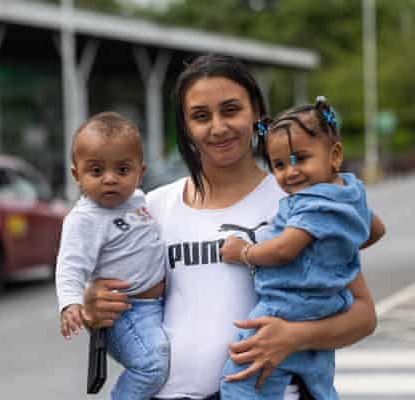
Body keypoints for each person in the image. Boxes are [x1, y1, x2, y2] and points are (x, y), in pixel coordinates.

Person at [82, 55, 379, 400]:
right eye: (201, 116)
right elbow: (123, 303)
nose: (218, 127)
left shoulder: (300, 200)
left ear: (255, 113)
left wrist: (295, 336)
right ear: (185, 126)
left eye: (231, 110)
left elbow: (363, 314)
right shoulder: (152, 207)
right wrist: (93, 305)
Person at [219, 97, 385, 399]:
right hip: (329, 302)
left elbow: (284, 250)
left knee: (239, 377)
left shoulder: (312, 203)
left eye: (300, 159)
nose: (290, 172)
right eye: (279, 164)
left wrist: (243, 252)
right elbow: (375, 229)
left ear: (335, 156)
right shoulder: (350, 191)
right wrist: (335, 251)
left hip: (288, 302)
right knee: (318, 375)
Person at [55, 111, 169, 400]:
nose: (109, 179)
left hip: (158, 305)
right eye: (96, 171)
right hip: (126, 311)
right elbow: (70, 266)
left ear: (140, 173)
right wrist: (70, 303)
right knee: (152, 366)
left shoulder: (140, 200)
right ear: (76, 174)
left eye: (122, 170)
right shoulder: (85, 219)